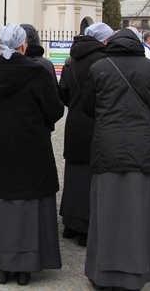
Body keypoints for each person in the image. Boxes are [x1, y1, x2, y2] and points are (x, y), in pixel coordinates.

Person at [82, 29, 150, 290]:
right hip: (143, 145)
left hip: (107, 143)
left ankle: (103, 274)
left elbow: (87, 106)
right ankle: (137, 273)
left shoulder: (99, 68)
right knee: (139, 211)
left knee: (105, 211)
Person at [0, 24, 64, 286]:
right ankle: (25, 267)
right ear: (23, 45)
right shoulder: (37, 72)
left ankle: (2, 264)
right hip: (31, 146)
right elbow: (55, 109)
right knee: (29, 205)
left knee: (0, 203)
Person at [59, 22, 112, 248]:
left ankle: (70, 223)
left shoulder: (72, 58)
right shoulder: (102, 61)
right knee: (91, 175)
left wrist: (74, 105)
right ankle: (85, 227)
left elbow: (63, 91)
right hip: (93, 121)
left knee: (73, 174)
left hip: (75, 120)